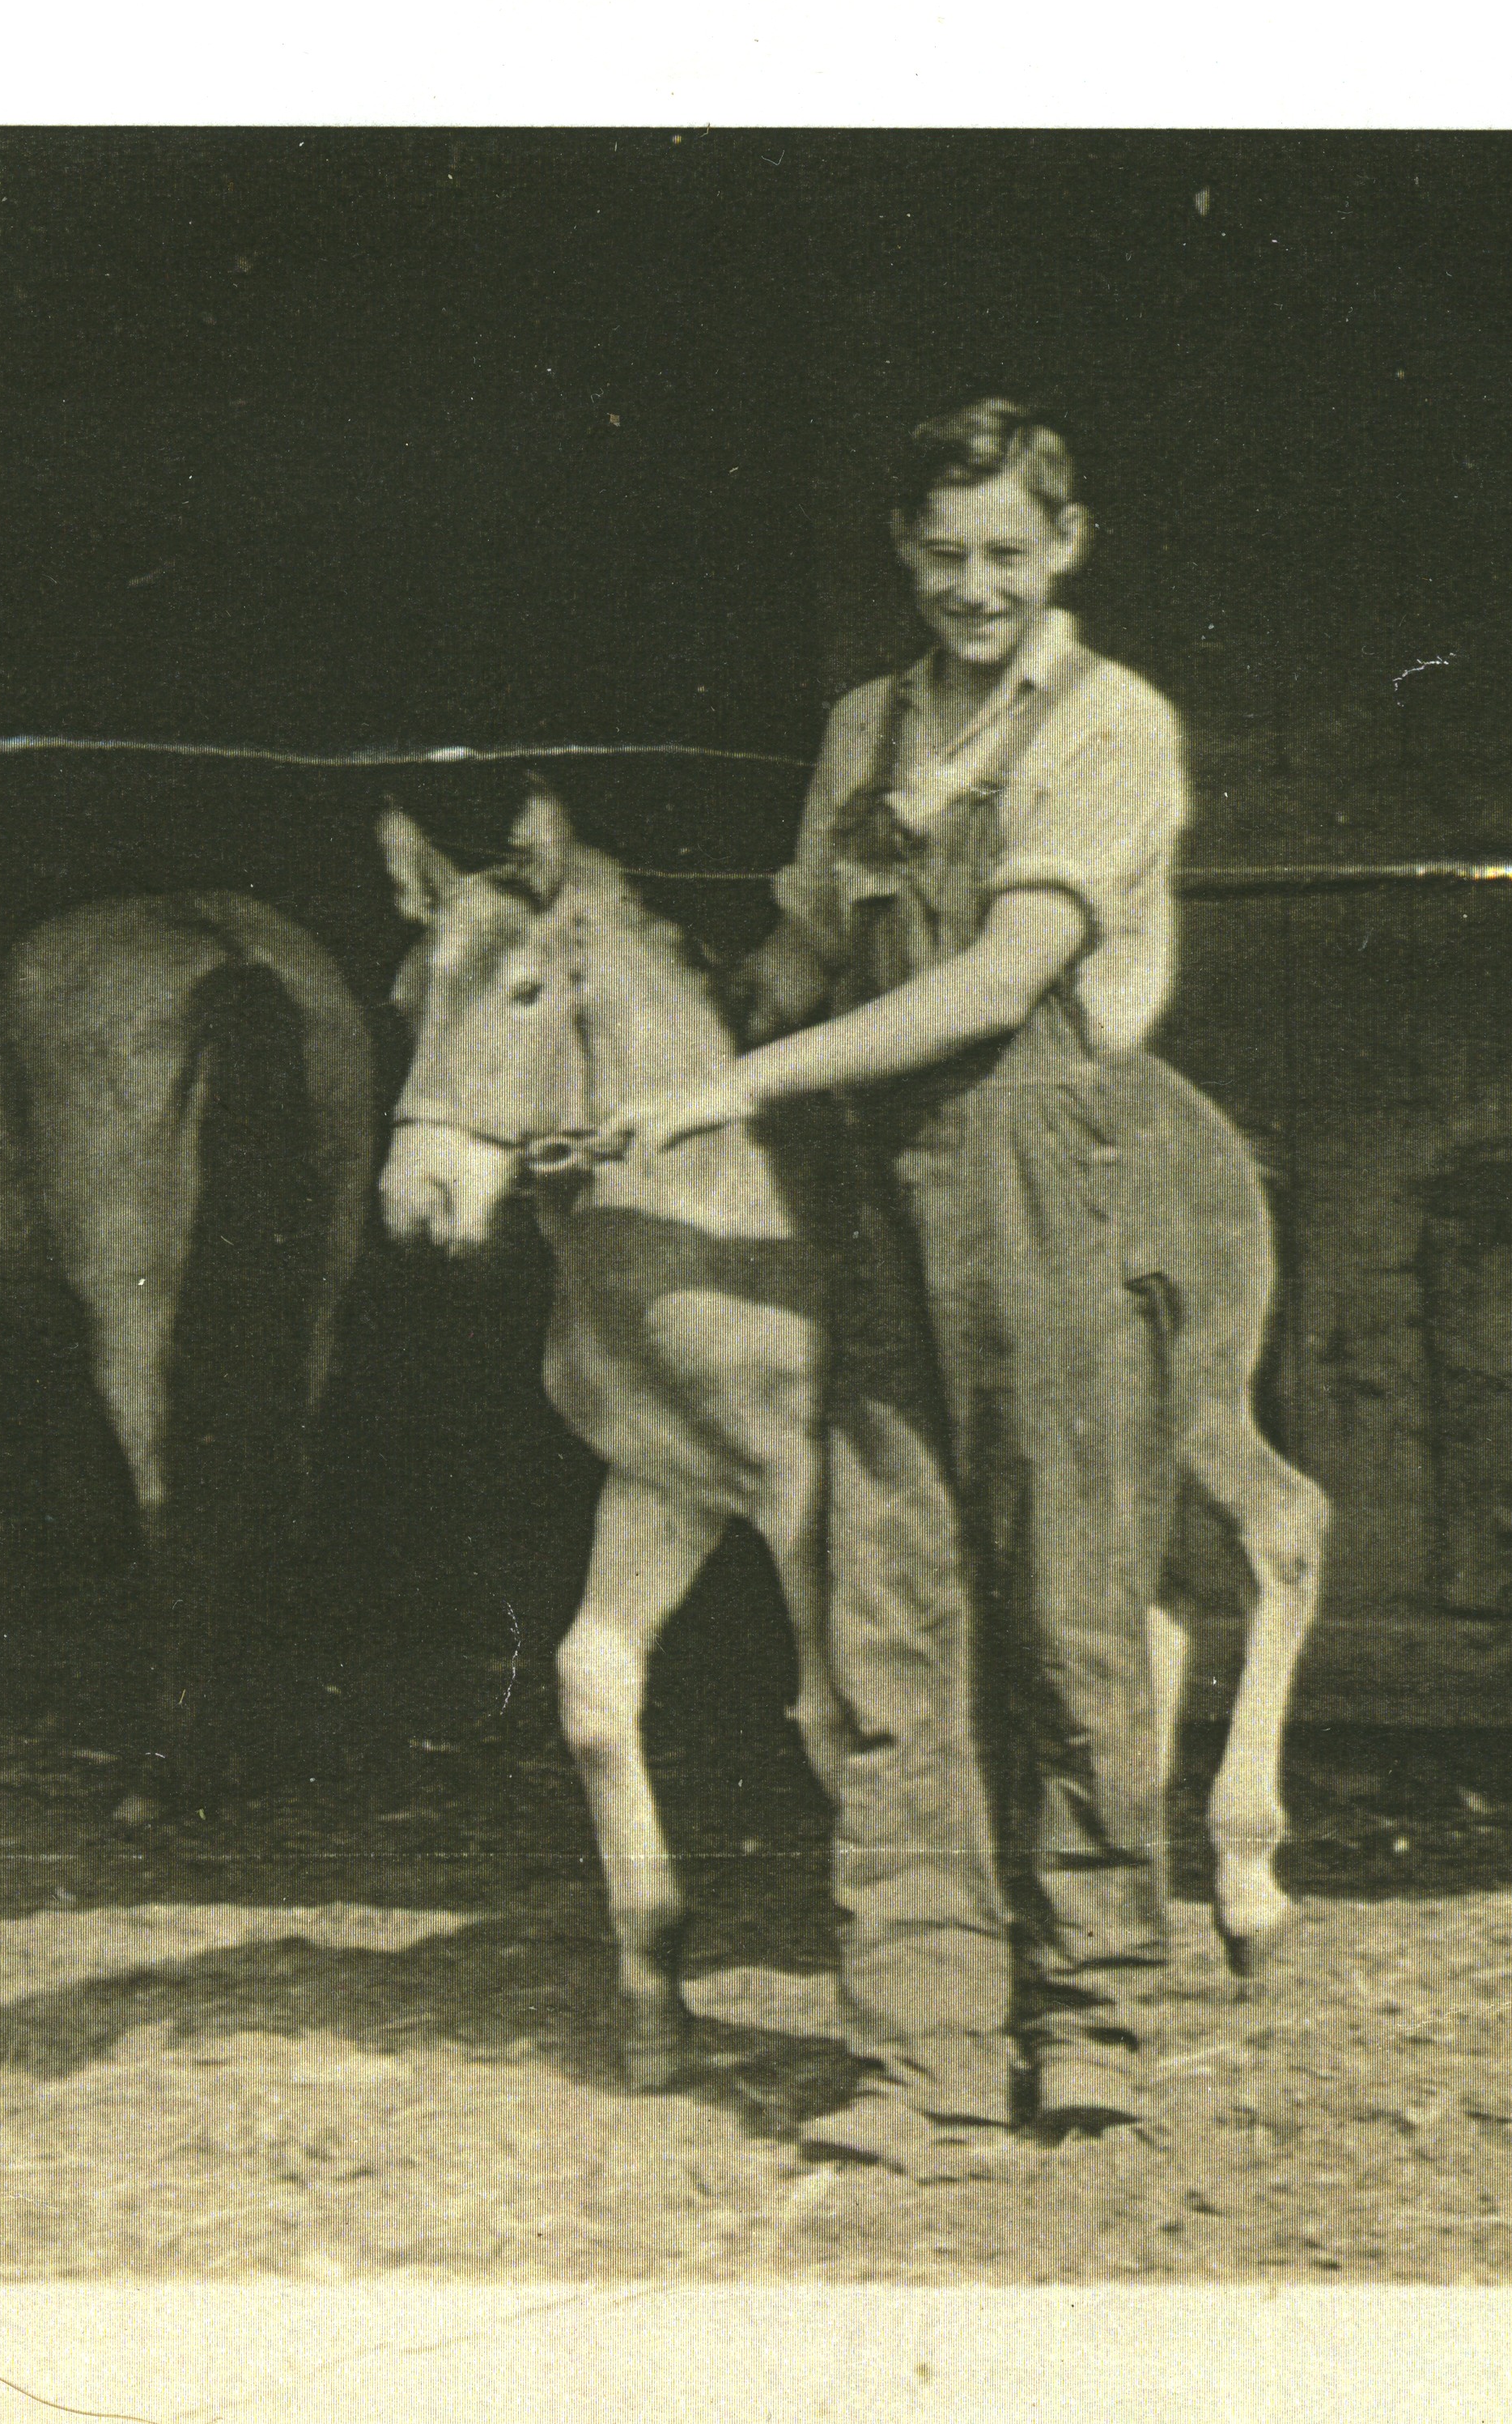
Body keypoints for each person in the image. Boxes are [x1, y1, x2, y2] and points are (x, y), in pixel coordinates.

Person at [604, 397, 1197, 2177]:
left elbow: (1000, 978)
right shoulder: (864, 727)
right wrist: (668, 1035)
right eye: (942, 555)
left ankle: (1090, 2027)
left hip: (1048, 1175)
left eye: (1007, 552)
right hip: (879, 1191)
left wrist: (744, 1083)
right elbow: (811, 943)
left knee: (1070, 1611)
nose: (974, 586)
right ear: (900, 551)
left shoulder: (1111, 723)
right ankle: (924, 2057)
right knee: (891, 1618)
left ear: (1066, 546)